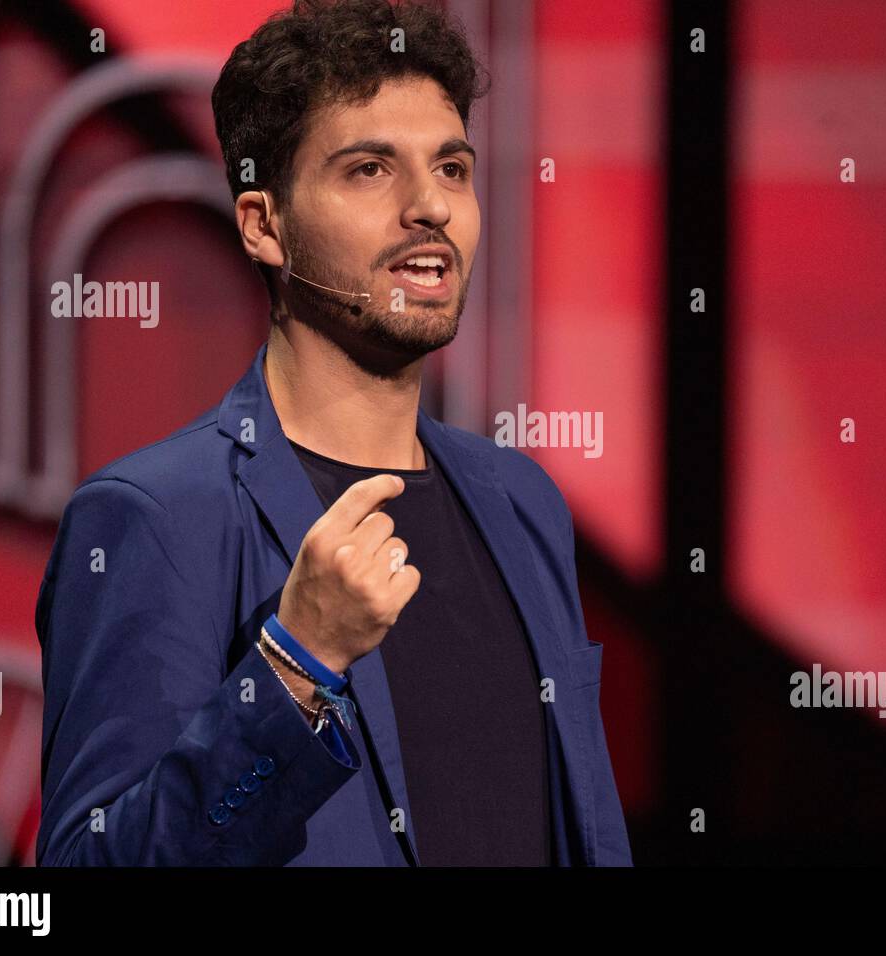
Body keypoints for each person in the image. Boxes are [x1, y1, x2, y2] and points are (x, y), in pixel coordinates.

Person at [34, 0, 632, 867]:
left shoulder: (523, 500)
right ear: (263, 225)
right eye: (369, 171)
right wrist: (295, 664)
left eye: (453, 168)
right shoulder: (157, 518)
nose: (431, 206)